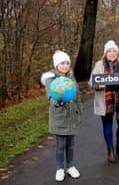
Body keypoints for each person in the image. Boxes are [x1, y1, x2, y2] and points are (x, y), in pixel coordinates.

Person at [40, 50, 83, 182]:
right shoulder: (51, 80)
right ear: (56, 65)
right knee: (61, 145)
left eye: (67, 63)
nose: (64, 66)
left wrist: (80, 113)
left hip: (72, 116)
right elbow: (50, 99)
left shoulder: (71, 78)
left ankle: (71, 166)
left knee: (71, 144)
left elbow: (78, 97)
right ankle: (60, 169)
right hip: (59, 117)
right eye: (62, 63)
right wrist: (60, 101)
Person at [88, 40, 119, 163]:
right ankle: (110, 150)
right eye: (109, 51)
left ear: (117, 53)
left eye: (114, 51)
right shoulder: (99, 65)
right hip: (105, 101)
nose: (112, 53)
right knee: (107, 125)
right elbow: (91, 81)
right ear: (105, 53)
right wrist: (98, 85)